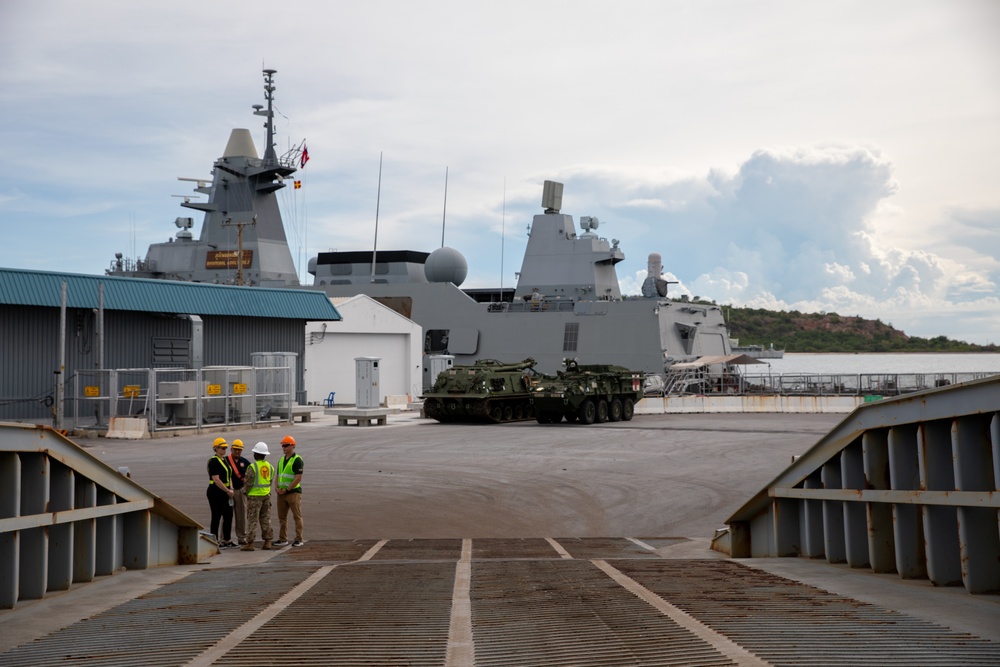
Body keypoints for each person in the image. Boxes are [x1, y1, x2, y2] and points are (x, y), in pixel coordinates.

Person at [242, 442, 274, 551]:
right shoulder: (270, 467)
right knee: (266, 519)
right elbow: (269, 481)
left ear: (257, 454)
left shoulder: (253, 467)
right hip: (266, 496)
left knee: (252, 520)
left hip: (254, 497)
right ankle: (268, 541)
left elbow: (248, 483)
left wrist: (245, 492)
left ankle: (250, 543)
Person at [273, 434, 304, 547]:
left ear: (292, 446)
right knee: (282, 518)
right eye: (283, 446)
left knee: (297, 516)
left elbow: (298, 477)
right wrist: (276, 487)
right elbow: (278, 475)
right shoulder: (281, 460)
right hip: (281, 493)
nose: (284, 448)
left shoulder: (297, 460)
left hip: (293, 493)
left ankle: (299, 538)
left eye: (286, 445)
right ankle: (282, 539)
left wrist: (287, 489)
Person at [207, 436, 235, 547]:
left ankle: (227, 539)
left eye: (225, 448)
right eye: (222, 448)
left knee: (228, 515)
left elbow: (229, 477)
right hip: (215, 491)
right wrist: (227, 490)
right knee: (216, 516)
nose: (224, 450)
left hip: (226, 491)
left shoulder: (225, 460)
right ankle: (214, 540)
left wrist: (231, 488)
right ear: (216, 448)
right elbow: (216, 479)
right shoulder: (214, 461)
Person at [226, 439, 251, 545]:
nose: (237, 452)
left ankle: (242, 537)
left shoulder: (245, 462)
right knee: (227, 515)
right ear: (231, 449)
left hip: (240, 490)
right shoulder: (225, 460)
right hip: (228, 491)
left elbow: (251, 474)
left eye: (239, 450)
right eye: (235, 449)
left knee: (241, 515)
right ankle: (225, 537)